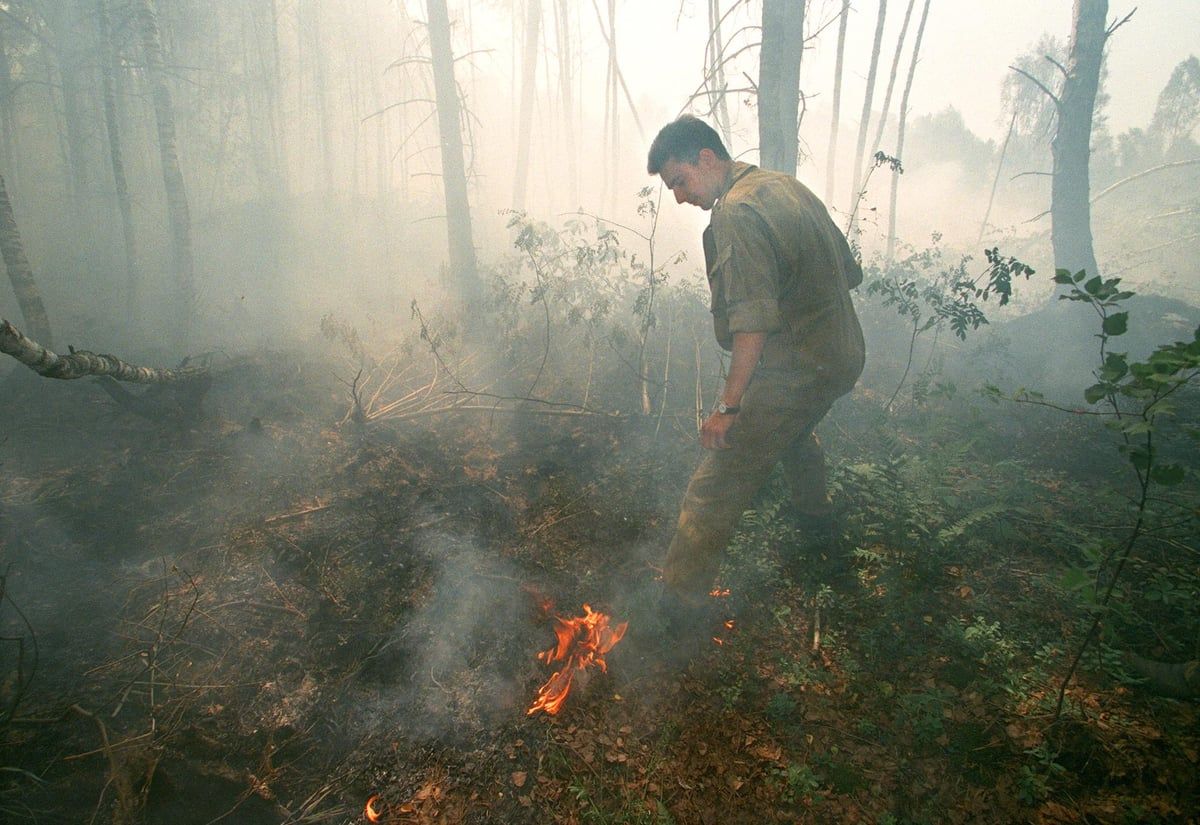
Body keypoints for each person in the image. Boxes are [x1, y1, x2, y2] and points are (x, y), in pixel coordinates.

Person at [647, 115, 865, 625]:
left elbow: (752, 323)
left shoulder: (738, 213)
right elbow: (848, 273)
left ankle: (678, 612)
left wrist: (729, 407)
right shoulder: (786, 187)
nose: (679, 197)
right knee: (796, 433)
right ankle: (820, 533)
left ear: (706, 158)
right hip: (843, 354)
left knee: (713, 484)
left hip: (801, 368)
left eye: (680, 181)